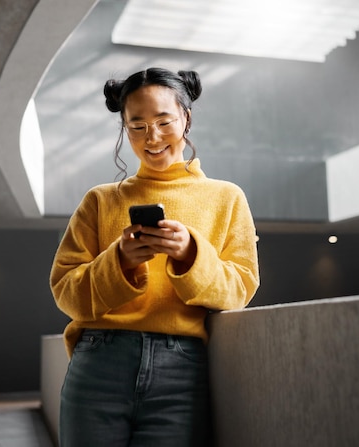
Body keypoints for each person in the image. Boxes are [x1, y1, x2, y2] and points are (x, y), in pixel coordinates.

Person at [50, 67, 260, 447]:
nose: (152, 137)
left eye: (164, 121)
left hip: (180, 368)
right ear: (124, 128)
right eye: (137, 125)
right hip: (98, 362)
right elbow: (65, 292)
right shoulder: (99, 200)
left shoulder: (227, 197)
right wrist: (120, 263)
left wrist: (190, 255)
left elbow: (241, 288)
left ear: (187, 118)